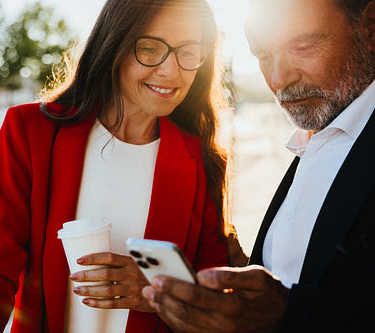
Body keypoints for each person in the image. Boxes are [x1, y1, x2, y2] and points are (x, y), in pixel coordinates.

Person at [0, 0, 234, 332]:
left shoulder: (204, 161)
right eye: (149, 48)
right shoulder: (31, 132)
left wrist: (154, 294)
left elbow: (215, 298)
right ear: (114, 44)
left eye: (189, 52)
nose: (170, 71)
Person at [142, 0, 375, 332]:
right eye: (263, 56)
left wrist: (288, 313)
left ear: (370, 27)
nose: (279, 78)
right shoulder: (319, 136)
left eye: (304, 46)